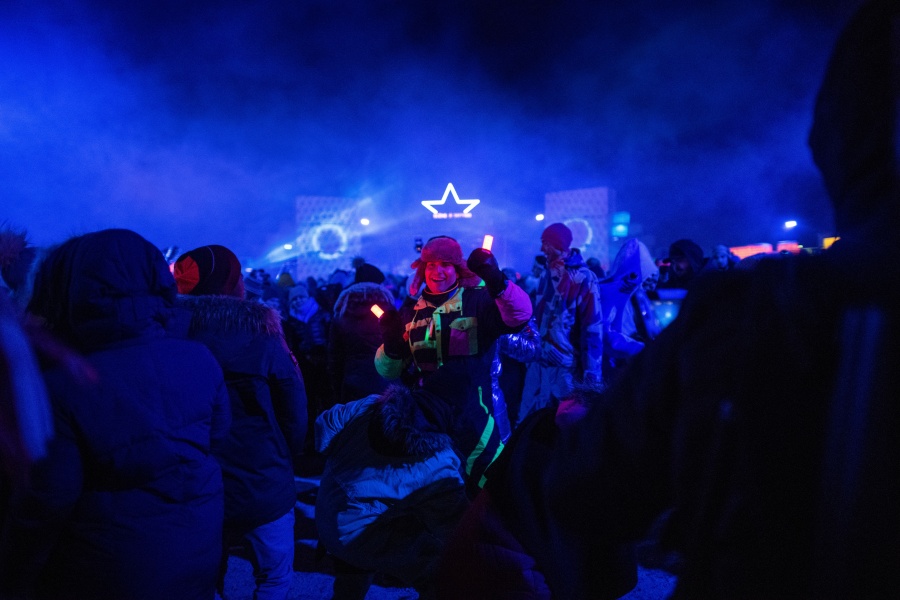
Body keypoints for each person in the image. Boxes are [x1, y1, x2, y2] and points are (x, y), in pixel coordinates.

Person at [523, 2, 900, 597]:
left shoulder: (754, 311)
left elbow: (589, 488)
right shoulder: (746, 307)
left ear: (838, 138)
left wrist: (586, 408)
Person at [0, 229, 231, 600]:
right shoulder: (199, 357)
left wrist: (13, 579)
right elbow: (217, 438)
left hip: (108, 569)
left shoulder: (68, 382)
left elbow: (46, 503)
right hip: (195, 548)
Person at [173, 244, 308, 600]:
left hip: (194, 477)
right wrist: (286, 456)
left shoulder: (167, 334)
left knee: (201, 577)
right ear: (233, 282)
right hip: (262, 476)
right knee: (274, 576)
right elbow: (292, 403)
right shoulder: (261, 332)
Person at [374, 235, 532, 495]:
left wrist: (497, 280)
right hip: (427, 421)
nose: (437, 271)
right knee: (436, 494)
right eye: (431, 265)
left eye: (445, 264)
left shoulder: (478, 299)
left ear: (457, 268)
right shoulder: (411, 310)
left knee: (490, 489)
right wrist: (390, 345)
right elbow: (388, 371)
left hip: (475, 415)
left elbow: (520, 315)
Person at [315, 383, 470, 600]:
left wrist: (344, 461)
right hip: (355, 535)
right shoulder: (438, 465)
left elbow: (324, 428)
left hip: (327, 511)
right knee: (440, 572)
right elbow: (452, 528)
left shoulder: (370, 405)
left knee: (351, 578)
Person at [518, 222, 603, 425]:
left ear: (559, 244)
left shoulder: (584, 277)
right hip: (540, 363)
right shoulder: (547, 275)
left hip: (565, 368)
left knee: (565, 425)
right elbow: (538, 318)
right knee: (531, 422)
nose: (541, 249)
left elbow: (592, 328)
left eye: (545, 243)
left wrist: (592, 375)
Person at [327, 262, 395, 405]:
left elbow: (335, 358)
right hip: (387, 383)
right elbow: (397, 347)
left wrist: (337, 390)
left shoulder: (342, 312)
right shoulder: (387, 310)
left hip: (352, 383)